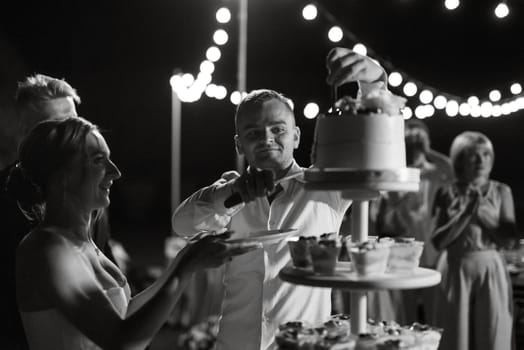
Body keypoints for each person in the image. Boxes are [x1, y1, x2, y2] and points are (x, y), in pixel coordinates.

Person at [171, 47, 386, 350]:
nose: (267, 139)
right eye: (254, 133)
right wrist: (231, 194)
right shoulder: (229, 190)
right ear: (239, 144)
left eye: (277, 129)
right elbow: (182, 224)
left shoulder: (324, 185)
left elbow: (372, 146)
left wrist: (374, 81)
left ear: (296, 136)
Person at [6, 116, 259, 350]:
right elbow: (121, 341)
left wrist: (186, 258)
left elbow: (126, 311)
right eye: (98, 160)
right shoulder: (47, 249)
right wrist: (185, 268)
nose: (115, 171)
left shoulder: (81, 242)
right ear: (63, 175)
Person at [0, 74, 88, 349]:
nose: (71, 136)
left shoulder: (93, 193)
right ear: (25, 132)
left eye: (74, 123)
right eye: (56, 126)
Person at [432, 131, 517, 350]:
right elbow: (438, 242)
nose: (481, 161)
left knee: (492, 332)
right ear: (460, 159)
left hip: (490, 268)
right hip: (454, 267)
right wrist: (466, 212)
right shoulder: (446, 191)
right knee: (454, 335)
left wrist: (481, 212)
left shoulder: (501, 191)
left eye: (486, 154)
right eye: (473, 155)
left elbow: (507, 242)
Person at [367, 119, 454, 324]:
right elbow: (376, 219)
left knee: (435, 315)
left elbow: (452, 171)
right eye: (408, 138)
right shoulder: (393, 175)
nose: (413, 142)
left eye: (418, 138)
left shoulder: (435, 172)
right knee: (402, 316)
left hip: (432, 252)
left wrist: (428, 150)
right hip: (400, 256)